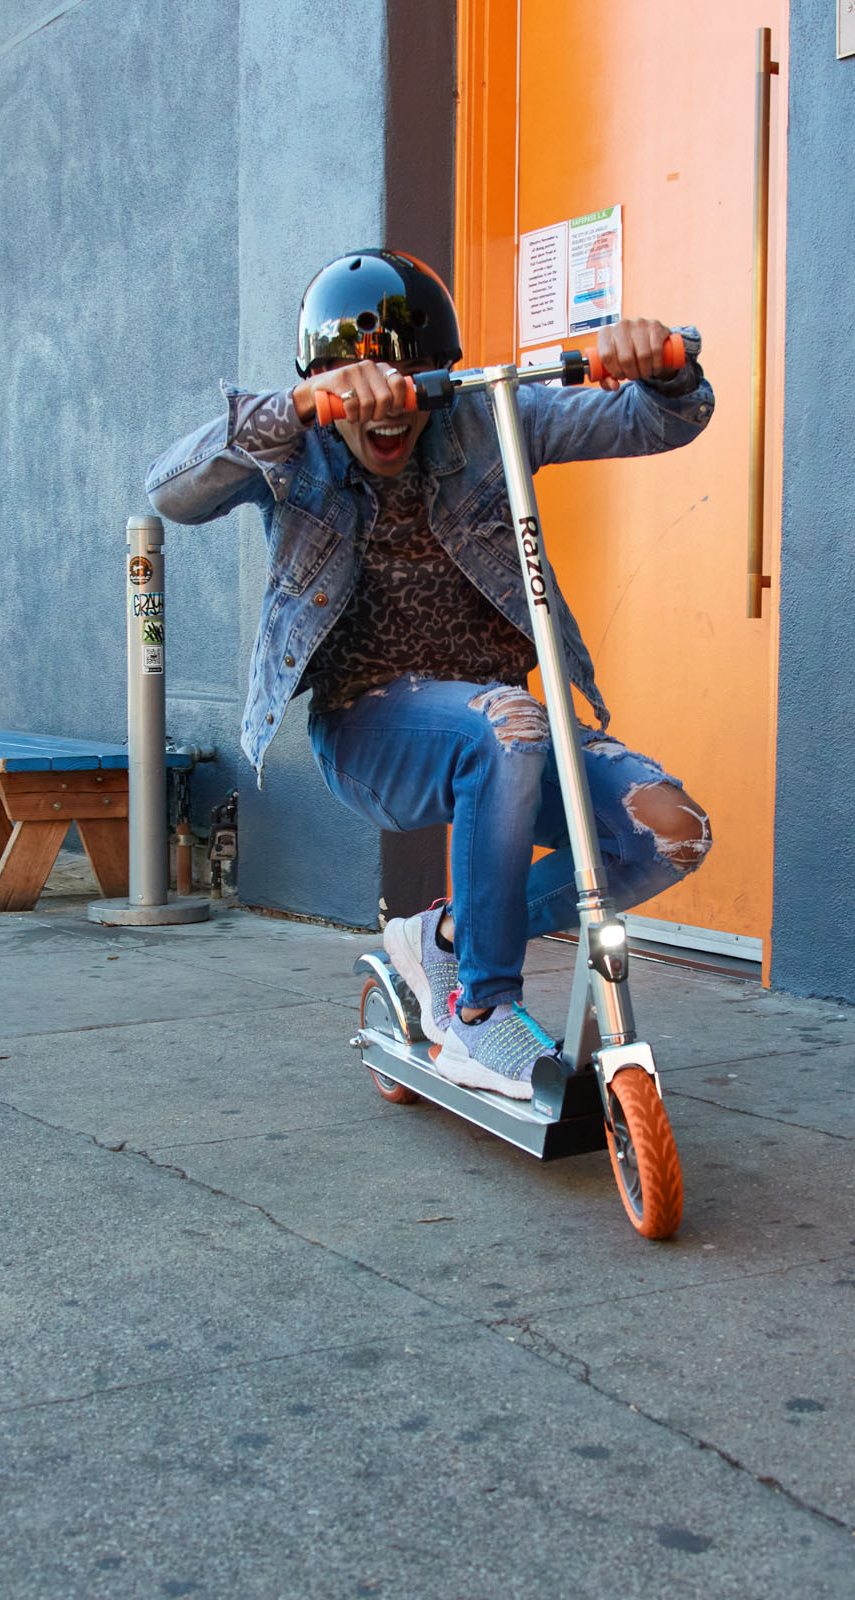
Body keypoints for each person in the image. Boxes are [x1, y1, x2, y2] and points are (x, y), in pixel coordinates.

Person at [146, 249, 716, 1098]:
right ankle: (480, 1014)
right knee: (506, 726)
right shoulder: (296, 451)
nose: (393, 407)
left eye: (416, 382)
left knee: (670, 831)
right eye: (365, 384)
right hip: (368, 730)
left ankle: (444, 938)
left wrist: (663, 370)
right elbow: (171, 490)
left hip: (505, 731)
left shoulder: (491, 419)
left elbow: (658, 421)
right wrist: (296, 409)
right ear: (324, 385)